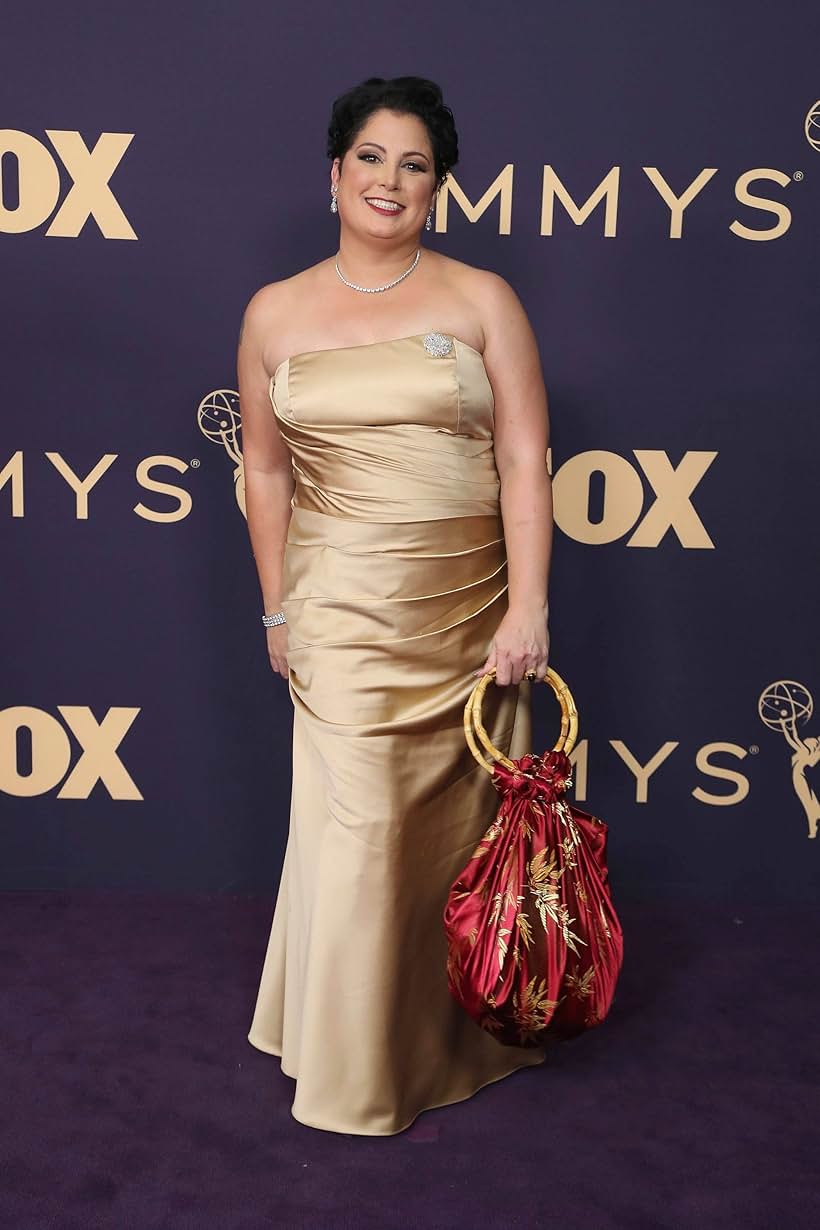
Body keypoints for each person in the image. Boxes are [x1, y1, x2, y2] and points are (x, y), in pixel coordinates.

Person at [237, 75, 553, 1136]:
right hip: (338, 616)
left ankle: (446, 1036)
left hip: (469, 615)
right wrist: (279, 612)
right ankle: (356, 1068)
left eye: (413, 164)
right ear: (333, 174)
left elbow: (522, 458)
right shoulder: (273, 312)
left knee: (450, 838)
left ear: (438, 187)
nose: (389, 179)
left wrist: (528, 610)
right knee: (361, 831)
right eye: (370, 157)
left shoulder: (480, 299)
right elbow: (268, 474)